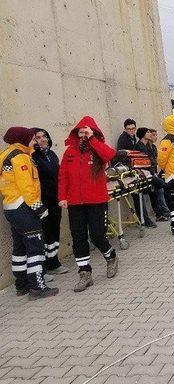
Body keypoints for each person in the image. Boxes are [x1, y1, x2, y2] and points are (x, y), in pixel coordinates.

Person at [58, 116, 119, 292]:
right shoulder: (70, 151)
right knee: (78, 238)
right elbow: (63, 176)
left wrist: (92, 138)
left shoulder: (98, 148)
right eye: (80, 131)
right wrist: (62, 196)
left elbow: (109, 155)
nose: (83, 134)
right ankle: (85, 274)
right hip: (75, 202)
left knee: (97, 235)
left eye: (86, 131)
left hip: (96, 201)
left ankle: (111, 257)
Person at [0, 127, 58, 299]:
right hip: (23, 207)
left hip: (10, 206)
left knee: (20, 248)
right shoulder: (21, 157)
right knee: (35, 247)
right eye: (32, 138)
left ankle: (22, 285)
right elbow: (26, 186)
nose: (34, 141)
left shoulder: (6, 155)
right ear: (23, 139)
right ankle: (37, 287)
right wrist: (39, 208)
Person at [32, 128, 68, 274]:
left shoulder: (52, 155)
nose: (42, 139)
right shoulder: (33, 157)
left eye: (44, 136)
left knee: (55, 230)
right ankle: (46, 266)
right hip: (43, 203)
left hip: (55, 200)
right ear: (34, 141)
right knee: (45, 233)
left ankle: (54, 263)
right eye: (38, 137)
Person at [136, 127, 170, 223]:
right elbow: (144, 162)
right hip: (145, 174)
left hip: (151, 172)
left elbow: (152, 160)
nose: (150, 133)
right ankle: (153, 216)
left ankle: (159, 214)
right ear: (143, 134)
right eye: (148, 132)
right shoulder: (139, 146)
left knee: (154, 193)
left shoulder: (147, 146)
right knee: (164, 185)